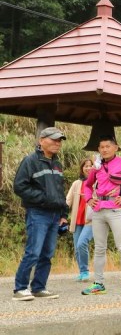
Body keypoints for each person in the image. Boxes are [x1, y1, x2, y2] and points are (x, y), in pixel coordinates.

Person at [81, 135, 121, 296]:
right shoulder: (96, 166)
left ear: (115, 148)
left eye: (107, 146)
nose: (104, 149)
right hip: (98, 210)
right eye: (101, 147)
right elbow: (87, 185)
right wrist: (89, 199)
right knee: (99, 248)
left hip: (116, 210)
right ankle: (98, 284)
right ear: (98, 149)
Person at [12, 126, 70, 301]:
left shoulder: (57, 163)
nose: (57, 143)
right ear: (41, 140)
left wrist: (63, 213)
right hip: (38, 213)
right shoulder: (30, 161)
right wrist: (44, 198)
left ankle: (38, 287)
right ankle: (20, 289)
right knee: (33, 252)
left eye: (59, 140)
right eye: (53, 139)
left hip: (54, 215)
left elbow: (60, 191)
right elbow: (19, 186)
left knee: (47, 254)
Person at [65, 158, 95, 281]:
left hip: (91, 220)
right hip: (77, 220)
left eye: (90, 165)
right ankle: (82, 272)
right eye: (85, 166)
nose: (88, 168)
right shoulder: (76, 183)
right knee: (77, 247)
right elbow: (68, 200)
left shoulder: (97, 182)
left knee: (82, 243)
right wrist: (60, 212)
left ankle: (85, 271)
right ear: (82, 168)